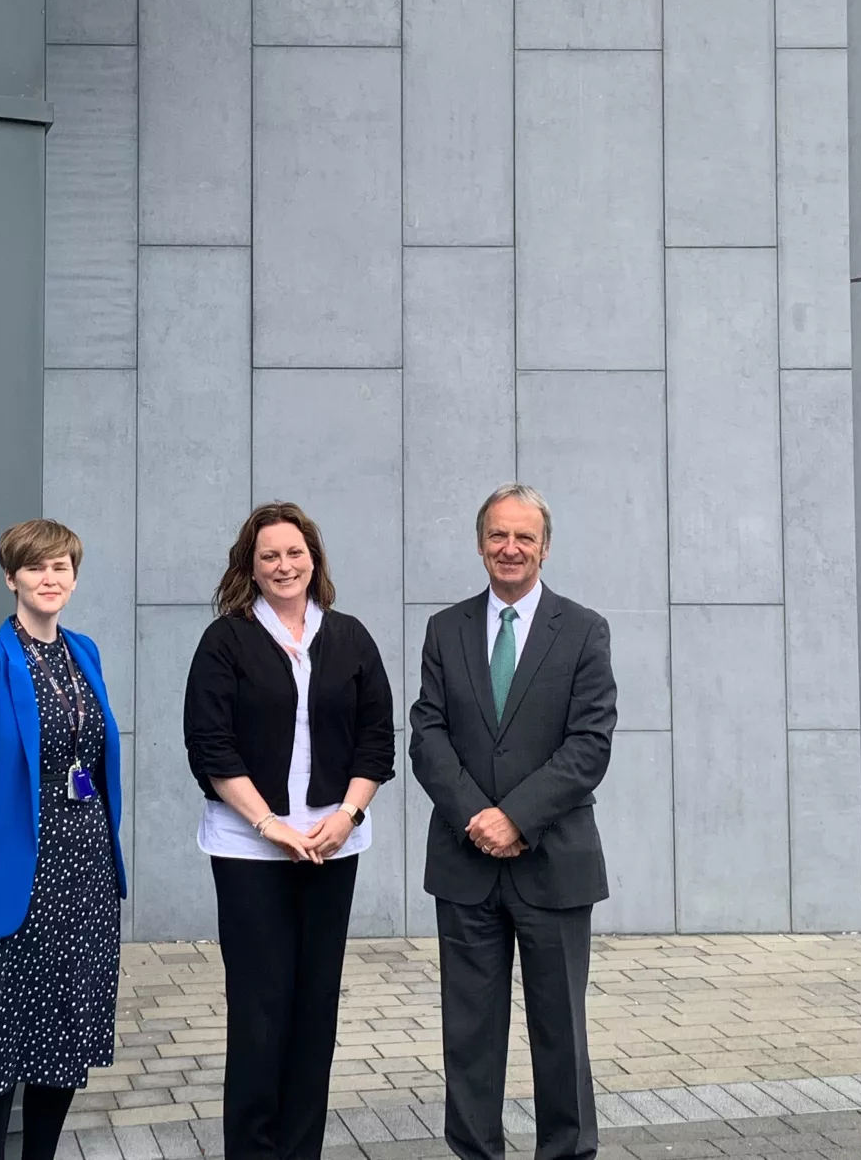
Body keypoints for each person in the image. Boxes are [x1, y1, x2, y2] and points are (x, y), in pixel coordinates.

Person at [409, 484, 617, 1160]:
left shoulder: (584, 628)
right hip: (466, 863)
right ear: (480, 543)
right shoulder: (446, 629)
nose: (510, 548)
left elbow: (590, 743)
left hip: (553, 860)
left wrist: (517, 817)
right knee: (469, 1036)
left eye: (524, 537)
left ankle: (566, 1152)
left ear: (545, 546)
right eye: (499, 535)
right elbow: (427, 735)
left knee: (562, 1032)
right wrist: (478, 816)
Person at [183, 502, 396, 1160]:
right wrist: (269, 823)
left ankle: (301, 1149)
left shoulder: (352, 636)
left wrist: (348, 815)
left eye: (294, 553)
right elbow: (210, 745)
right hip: (250, 848)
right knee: (260, 1008)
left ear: (314, 560)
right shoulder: (228, 639)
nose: (284, 565)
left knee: (314, 1008)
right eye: (269, 555)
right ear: (250, 566)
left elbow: (376, 739)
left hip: (333, 846)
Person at [0, 519, 126, 1160]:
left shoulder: (84, 653)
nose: (50, 578)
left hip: (83, 869)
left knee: (61, 1026)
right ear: (11, 577)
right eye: (36, 567)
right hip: (13, 873)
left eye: (61, 567)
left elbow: (90, 758)